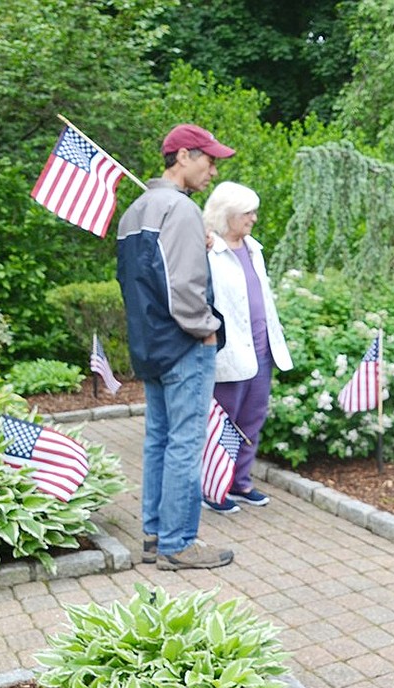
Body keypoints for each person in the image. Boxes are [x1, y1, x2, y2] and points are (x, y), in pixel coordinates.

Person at [116, 124, 237, 570]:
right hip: (184, 346)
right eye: (209, 159)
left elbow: (138, 280)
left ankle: (154, 536)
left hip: (150, 346)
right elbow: (183, 285)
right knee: (186, 444)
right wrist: (205, 327)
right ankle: (178, 544)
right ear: (183, 156)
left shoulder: (136, 210)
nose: (212, 169)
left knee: (160, 441)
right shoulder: (180, 210)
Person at [202, 181, 293, 512]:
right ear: (227, 215)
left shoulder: (254, 248)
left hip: (262, 349)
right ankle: (214, 488)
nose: (253, 218)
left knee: (253, 417)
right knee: (226, 420)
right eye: (247, 212)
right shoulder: (209, 250)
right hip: (229, 350)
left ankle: (241, 482)